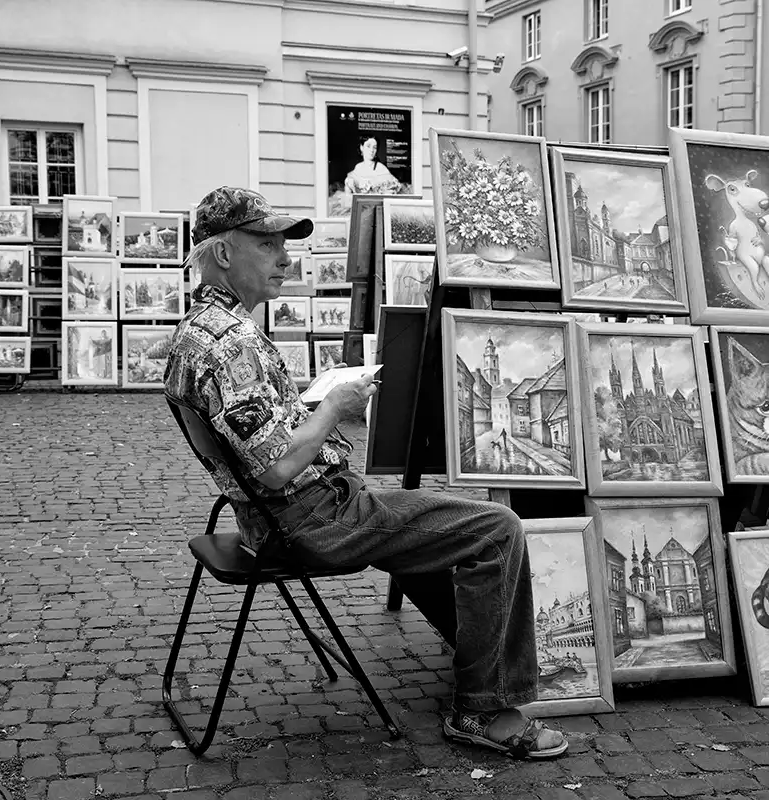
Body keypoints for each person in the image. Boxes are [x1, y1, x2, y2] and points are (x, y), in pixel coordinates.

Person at [164, 186, 569, 761]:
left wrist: (310, 400)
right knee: (497, 529)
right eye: (266, 243)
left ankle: (482, 668)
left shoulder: (198, 331)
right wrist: (336, 407)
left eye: (284, 243)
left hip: (275, 516)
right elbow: (277, 466)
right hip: (314, 518)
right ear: (224, 255)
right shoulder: (232, 343)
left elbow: (252, 441)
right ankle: (482, 708)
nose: (284, 257)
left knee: (438, 527)